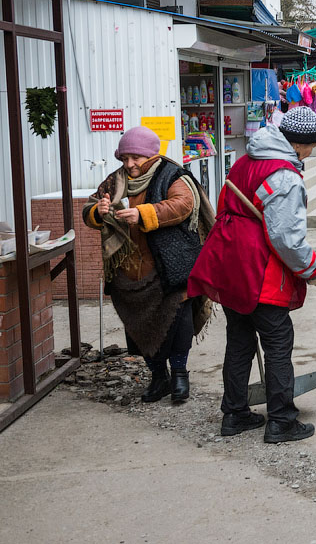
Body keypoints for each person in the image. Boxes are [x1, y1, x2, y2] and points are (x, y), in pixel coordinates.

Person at [189, 107, 316, 443]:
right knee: (278, 343)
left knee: (239, 341)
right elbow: (286, 238)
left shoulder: (244, 160)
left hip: (232, 261)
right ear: (299, 144)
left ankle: (234, 414)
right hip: (259, 266)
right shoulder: (285, 176)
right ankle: (281, 420)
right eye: (311, 147)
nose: (311, 153)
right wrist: (314, 267)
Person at [82, 127, 216, 404]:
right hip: (130, 273)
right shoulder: (114, 181)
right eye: (125, 158)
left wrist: (145, 213)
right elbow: (89, 209)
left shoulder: (172, 175)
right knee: (138, 326)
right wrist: (98, 211)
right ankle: (158, 377)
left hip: (170, 266)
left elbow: (184, 204)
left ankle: (179, 375)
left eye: (136, 158)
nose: (129, 164)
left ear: (151, 155)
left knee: (177, 321)